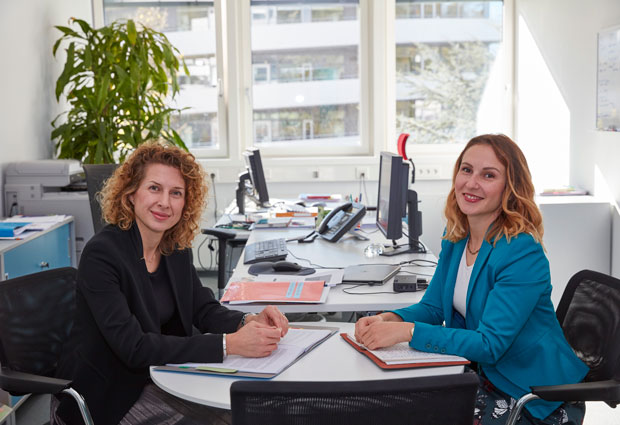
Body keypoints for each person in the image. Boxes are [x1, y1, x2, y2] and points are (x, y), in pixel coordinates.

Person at [355, 134, 588, 425]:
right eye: (466, 170)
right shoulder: (456, 239)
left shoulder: (521, 251)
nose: (472, 183)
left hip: (532, 395)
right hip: (482, 376)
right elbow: (434, 309)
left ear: (510, 188)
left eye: (488, 175)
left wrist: (408, 332)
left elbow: (490, 344)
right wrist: (389, 319)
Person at [54, 141, 289, 425]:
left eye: (176, 193)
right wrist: (229, 345)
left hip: (165, 377)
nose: (165, 202)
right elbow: (134, 348)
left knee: (253, 411)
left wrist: (246, 321)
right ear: (130, 194)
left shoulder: (174, 247)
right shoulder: (102, 254)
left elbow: (203, 309)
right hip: (112, 396)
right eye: (154, 188)